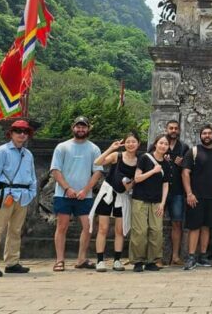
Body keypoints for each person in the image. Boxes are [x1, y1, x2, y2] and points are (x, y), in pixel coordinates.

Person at [0, 120, 38, 277]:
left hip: (23, 195)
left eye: (25, 132)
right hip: (5, 194)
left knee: (15, 230)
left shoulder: (28, 154)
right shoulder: (2, 151)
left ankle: (12, 262)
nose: (22, 134)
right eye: (18, 131)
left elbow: (32, 175)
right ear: (11, 133)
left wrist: (32, 192)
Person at [50, 116, 104, 272]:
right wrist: (67, 188)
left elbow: (97, 172)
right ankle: (60, 260)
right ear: (73, 127)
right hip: (63, 194)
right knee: (62, 226)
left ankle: (81, 258)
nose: (81, 130)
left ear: (88, 129)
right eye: (78, 127)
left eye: (84, 127)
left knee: (88, 226)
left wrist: (86, 190)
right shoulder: (62, 147)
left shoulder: (94, 149)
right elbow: (55, 170)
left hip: (84, 195)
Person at [181, 124, 212, 270]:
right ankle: (191, 257)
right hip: (196, 196)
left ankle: (203, 256)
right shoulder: (193, 152)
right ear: (200, 135)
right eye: (204, 133)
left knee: (207, 227)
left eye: (209, 133)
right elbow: (185, 173)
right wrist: (189, 193)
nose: (207, 136)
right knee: (194, 227)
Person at [90, 131, 140, 272]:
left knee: (120, 230)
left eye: (133, 142)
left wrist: (129, 185)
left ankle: (117, 260)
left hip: (123, 195)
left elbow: (134, 181)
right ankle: (100, 260)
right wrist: (112, 148)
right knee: (103, 228)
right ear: (124, 143)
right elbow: (97, 162)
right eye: (128, 141)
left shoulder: (139, 161)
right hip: (107, 193)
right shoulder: (116, 156)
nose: (131, 144)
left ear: (138, 144)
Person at [150, 120, 189, 266]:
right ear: (166, 129)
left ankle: (175, 257)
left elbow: (189, 168)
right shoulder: (159, 144)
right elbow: (148, 161)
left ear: (179, 130)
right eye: (171, 128)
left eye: (176, 128)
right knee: (155, 223)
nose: (173, 130)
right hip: (158, 191)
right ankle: (156, 257)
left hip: (177, 191)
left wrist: (181, 164)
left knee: (177, 223)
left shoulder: (184, 147)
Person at [130, 135, 171, 272]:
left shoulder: (166, 163)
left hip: (156, 201)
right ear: (155, 144)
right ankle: (138, 261)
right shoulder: (145, 158)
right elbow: (137, 178)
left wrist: (162, 203)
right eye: (161, 143)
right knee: (140, 231)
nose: (163, 146)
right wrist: (153, 171)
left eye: (166, 144)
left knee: (156, 231)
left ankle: (152, 260)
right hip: (140, 199)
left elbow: (165, 185)